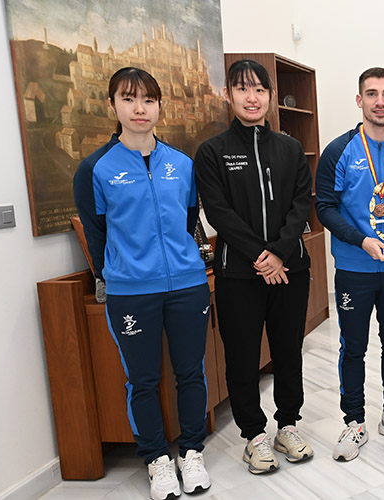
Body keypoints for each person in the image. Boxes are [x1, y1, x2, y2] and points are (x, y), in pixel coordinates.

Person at [74, 67, 211, 499]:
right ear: (112, 104)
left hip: (187, 285)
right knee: (143, 379)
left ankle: (191, 453)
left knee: (191, 373)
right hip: (132, 291)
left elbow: (188, 222)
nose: (139, 108)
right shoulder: (95, 169)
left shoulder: (182, 165)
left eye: (148, 100)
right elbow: (97, 236)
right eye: (129, 99)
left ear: (159, 107)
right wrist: (119, 272)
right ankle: (156, 459)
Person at [195, 59, 314, 474]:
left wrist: (280, 253)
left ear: (269, 96)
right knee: (243, 357)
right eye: (242, 89)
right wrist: (261, 258)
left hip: (290, 271)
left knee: (288, 352)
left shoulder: (290, 148)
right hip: (239, 275)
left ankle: (288, 425)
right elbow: (219, 213)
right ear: (229, 95)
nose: (252, 97)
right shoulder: (212, 151)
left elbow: (302, 204)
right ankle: (254, 436)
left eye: (259, 90)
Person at [315, 67, 384, 461]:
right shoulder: (339, 151)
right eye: (372, 94)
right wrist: (361, 240)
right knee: (354, 345)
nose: (380, 101)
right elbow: (324, 207)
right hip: (354, 267)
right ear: (359, 100)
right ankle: (354, 421)